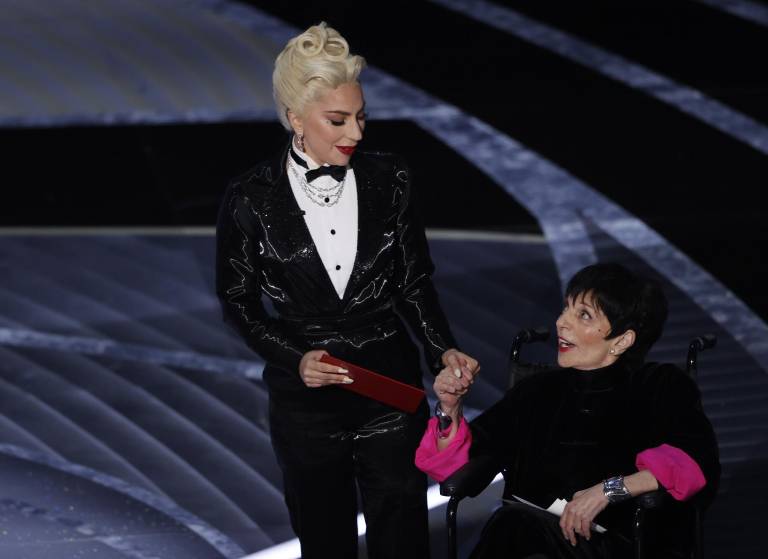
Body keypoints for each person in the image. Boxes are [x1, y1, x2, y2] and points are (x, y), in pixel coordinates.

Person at [216, 22, 479, 559]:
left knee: (402, 537)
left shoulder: (393, 179)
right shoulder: (250, 196)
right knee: (325, 541)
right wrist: (295, 358)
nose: (356, 134)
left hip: (388, 390)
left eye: (361, 118)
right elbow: (237, 302)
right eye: (337, 120)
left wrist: (440, 349)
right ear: (295, 119)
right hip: (307, 404)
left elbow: (413, 282)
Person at [416, 263, 720, 559]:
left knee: (514, 528)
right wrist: (449, 408)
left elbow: (695, 458)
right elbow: (461, 462)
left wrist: (607, 491)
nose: (562, 322)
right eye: (566, 308)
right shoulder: (537, 390)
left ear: (622, 340)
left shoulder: (659, 385)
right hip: (532, 537)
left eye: (583, 315)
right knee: (515, 526)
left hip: (619, 542)